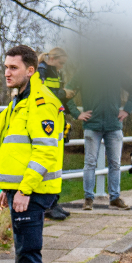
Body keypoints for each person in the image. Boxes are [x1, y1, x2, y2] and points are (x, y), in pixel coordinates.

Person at [0, 45, 65, 263]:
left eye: (14, 68)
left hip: (32, 191)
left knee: (27, 258)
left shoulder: (41, 103)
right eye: (6, 67)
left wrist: (24, 189)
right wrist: (7, 186)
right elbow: (15, 150)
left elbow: (45, 151)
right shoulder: (18, 101)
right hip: (22, 189)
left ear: (31, 70)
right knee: (29, 255)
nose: (7, 72)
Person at [75, 59, 132, 210]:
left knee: (115, 163)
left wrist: (127, 109)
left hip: (113, 125)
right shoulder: (85, 71)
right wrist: (77, 113)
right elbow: (68, 91)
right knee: (90, 163)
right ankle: (88, 199)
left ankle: (115, 198)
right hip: (92, 124)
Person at [35, 48, 82, 220]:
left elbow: (61, 99)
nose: (62, 67)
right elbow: (42, 93)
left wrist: (75, 113)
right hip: (46, 120)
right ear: (52, 58)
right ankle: (48, 205)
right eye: (61, 63)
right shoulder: (42, 70)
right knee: (48, 162)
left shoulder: (54, 72)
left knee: (55, 165)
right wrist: (64, 93)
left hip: (56, 119)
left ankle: (54, 202)